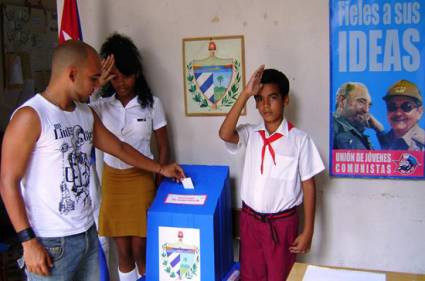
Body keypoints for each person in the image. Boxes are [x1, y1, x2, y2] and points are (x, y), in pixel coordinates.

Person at [0, 40, 184, 281]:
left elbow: (118, 147)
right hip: (49, 241)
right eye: (94, 79)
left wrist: (161, 167)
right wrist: (28, 241)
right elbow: (7, 182)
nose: (100, 85)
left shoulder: (84, 113)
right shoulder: (31, 116)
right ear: (72, 74)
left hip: (87, 233)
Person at [219, 66, 325, 281]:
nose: (265, 105)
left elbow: (309, 185)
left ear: (285, 100)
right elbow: (225, 133)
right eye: (259, 99)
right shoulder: (251, 134)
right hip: (250, 222)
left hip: (282, 226)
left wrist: (308, 232)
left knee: (280, 277)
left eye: (272, 98)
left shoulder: (300, 140)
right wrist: (246, 93)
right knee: (250, 276)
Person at [89, 33, 169, 280]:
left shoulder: (152, 104)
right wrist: (96, 84)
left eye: (126, 75)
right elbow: (74, 106)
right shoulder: (100, 105)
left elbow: (163, 147)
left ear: (136, 73)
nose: (121, 82)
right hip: (113, 181)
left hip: (143, 179)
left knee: (140, 249)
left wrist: (158, 182)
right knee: (122, 251)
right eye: (114, 77)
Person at [332, 82, 383, 149]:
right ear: (342, 101)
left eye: (369, 105)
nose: (366, 110)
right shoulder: (331, 126)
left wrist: (380, 130)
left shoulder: (357, 133)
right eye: (361, 101)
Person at [378, 79, 425, 151]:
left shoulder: (422, 144)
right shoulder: (381, 141)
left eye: (406, 106)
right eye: (392, 106)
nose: (398, 113)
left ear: (419, 112)